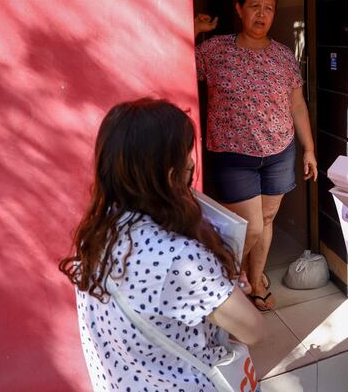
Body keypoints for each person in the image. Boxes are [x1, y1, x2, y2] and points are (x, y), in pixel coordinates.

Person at [59, 98, 264, 392]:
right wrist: (225, 286)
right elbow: (254, 331)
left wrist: (217, 287)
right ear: (169, 175)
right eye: (186, 154)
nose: (192, 162)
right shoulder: (179, 260)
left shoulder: (97, 230)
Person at [194, 0, 317, 311]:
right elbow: (174, 64)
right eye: (255, 6)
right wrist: (194, 31)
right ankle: (225, 283)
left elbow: (296, 104)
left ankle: (257, 279)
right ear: (239, 9)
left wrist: (308, 148)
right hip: (233, 154)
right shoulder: (215, 50)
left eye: (269, 8)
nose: (262, 14)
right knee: (248, 229)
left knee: (265, 221)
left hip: (279, 150)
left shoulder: (283, 56)